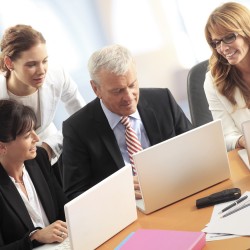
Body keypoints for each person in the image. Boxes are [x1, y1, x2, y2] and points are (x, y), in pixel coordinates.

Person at [62, 44, 193, 201]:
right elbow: (75, 195)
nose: (129, 97)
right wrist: (119, 190)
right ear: (96, 89)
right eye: (117, 91)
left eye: (132, 85)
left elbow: (193, 149)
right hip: (125, 209)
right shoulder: (77, 128)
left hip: (176, 191)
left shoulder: (162, 100)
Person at [0, 24, 85, 168]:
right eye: (31, 64)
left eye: (45, 61)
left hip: (53, 151)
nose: (41, 71)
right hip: (11, 163)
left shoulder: (56, 74)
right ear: (9, 63)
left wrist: (51, 146)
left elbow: (82, 115)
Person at [0, 99, 68, 249]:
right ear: (2, 147)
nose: (36, 139)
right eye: (27, 136)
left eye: (34, 131)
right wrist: (34, 238)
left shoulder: (39, 159)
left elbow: (65, 209)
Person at [204, 2, 250, 151]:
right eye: (216, 42)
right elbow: (225, 136)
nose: (222, 48)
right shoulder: (214, 80)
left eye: (229, 37)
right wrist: (244, 140)